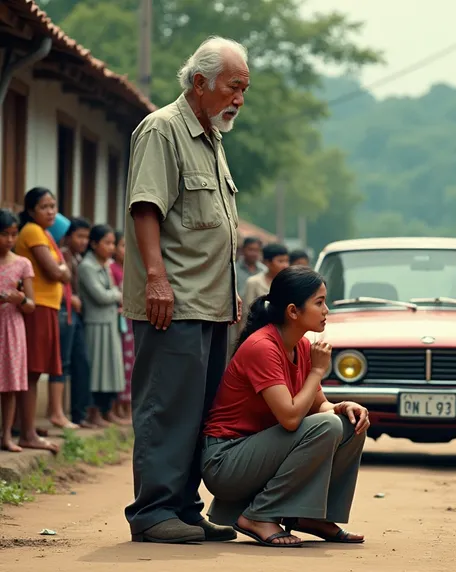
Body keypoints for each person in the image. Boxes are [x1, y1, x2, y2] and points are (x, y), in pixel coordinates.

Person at [122, 36, 247, 544]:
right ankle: (153, 512)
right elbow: (146, 207)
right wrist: (155, 277)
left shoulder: (211, 137)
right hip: (171, 302)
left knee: (199, 411)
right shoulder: (162, 130)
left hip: (210, 302)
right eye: (234, 87)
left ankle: (185, 507)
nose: (240, 98)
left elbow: (216, 225)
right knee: (166, 405)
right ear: (200, 83)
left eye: (244, 89)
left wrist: (230, 288)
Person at [202, 266, 368, 547]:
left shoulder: (301, 346)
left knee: (349, 424)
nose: (326, 310)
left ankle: (312, 515)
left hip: (258, 454)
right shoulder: (263, 347)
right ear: (293, 311)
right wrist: (317, 372)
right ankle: (259, 515)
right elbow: (291, 419)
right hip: (226, 461)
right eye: (319, 302)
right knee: (327, 426)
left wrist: (343, 406)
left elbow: (320, 408)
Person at [15, 188, 72, 452]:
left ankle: (23, 425)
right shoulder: (33, 232)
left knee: (34, 371)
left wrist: (61, 270)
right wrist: (61, 269)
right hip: (36, 307)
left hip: (47, 306)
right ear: (30, 211)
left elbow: (67, 273)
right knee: (32, 371)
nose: (51, 211)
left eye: (53, 206)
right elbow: (55, 270)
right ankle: (26, 433)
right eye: (44, 207)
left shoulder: (46, 233)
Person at [78, 225, 127, 426]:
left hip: (109, 322)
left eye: (112, 243)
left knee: (110, 369)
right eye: (107, 243)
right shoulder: (87, 266)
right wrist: (119, 296)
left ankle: (106, 410)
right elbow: (101, 295)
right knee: (96, 370)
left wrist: (116, 296)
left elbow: (112, 292)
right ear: (94, 244)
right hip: (95, 323)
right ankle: (93, 412)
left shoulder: (104, 264)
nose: (111, 247)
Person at [50, 217, 94, 428]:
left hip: (74, 314)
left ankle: (78, 413)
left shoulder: (77, 257)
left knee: (81, 362)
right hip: (64, 311)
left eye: (86, 237)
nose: (84, 241)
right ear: (67, 236)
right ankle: (61, 412)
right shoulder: (63, 256)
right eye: (79, 236)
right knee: (64, 362)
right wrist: (72, 299)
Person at [0, 209, 36, 452]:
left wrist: (20, 299)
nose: (10, 240)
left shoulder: (22, 263)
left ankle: (6, 436)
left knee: (10, 385)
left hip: (12, 326)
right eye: (5, 234)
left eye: (14, 234)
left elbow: (32, 305)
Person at [110, 231, 133, 423]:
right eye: (122, 246)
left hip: (131, 322)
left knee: (131, 363)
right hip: (118, 321)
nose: (126, 250)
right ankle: (117, 407)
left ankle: (128, 407)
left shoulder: (132, 268)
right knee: (119, 363)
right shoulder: (112, 269)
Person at [243, 243, 290, 309]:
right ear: (267, 262)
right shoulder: (253, 282)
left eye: (287, 261)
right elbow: (247, 311)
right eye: (280, 261)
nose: (285, 265)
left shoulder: (289, 282)